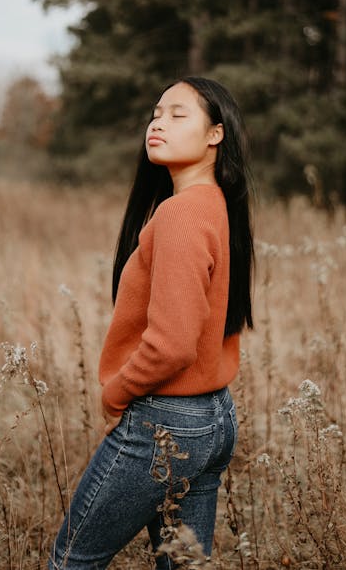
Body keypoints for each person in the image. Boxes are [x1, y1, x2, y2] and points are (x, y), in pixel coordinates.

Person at [49, 76, 254, 569]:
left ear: (215, 134)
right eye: (155, 114)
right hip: (214, 417)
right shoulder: (215, 204)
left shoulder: (181, 214)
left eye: (177, 114)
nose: (157, 123)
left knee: (71, 560)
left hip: (168, 419)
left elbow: (173, 344)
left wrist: (114, 394)